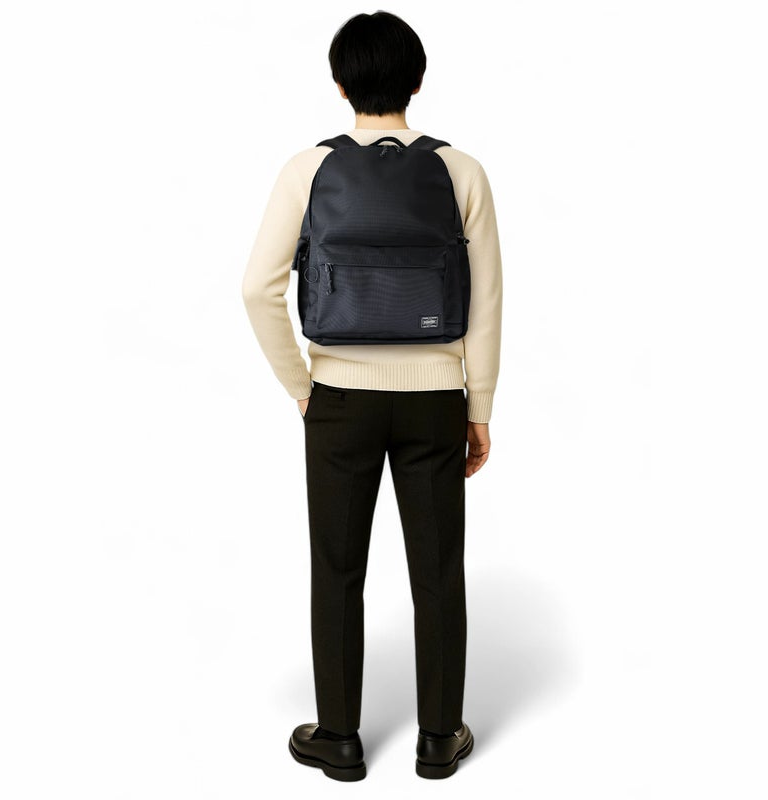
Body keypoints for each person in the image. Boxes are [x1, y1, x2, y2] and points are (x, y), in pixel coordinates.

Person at [241, 11, 502, 781]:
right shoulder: (462, 170)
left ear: (340, 83)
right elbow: (486, 301)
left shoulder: (307, 169)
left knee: (337, 569)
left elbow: (256, 289)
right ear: (417, 80)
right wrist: (478, 407)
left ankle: (340, 738)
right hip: (435, 400)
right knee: (438, 572)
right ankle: (439, 738)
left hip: (339, 400)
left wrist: (303, 387)